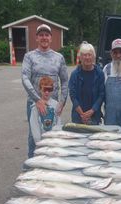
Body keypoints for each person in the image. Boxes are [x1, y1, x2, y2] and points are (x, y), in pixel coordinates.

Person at [22, 24, 68, 158]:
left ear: (51, 38)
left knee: (54, 135)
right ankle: (32, 168)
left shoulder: (59, 57)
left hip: (53, 105)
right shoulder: (29, 57)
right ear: (36, 38)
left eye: (46, 35)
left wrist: (62, 102)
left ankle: (50, 166)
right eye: (41, 35)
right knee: (34, 136)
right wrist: (37, 100)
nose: (44, 37)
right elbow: (25, 78)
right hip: (34, 103)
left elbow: (65, 81)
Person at [69, 42, 105, 125]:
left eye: (89, 55)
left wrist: (92, 110)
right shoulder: (75, 74)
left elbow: (101, 94)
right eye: (84, 55)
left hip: (95, 115)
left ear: (93, 56)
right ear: (80, 57)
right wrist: (82, 114)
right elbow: (72, 95)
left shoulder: (100, 73)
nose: (87, 57)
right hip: (78, 116)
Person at [30, 76, 61, 144]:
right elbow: (34, 125)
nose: (47, 92)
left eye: (49, 90)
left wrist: (57, 137)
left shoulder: (56, 105)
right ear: (40, 89)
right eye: (44, 89)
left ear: (52, 90)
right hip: (41, 141)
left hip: (54, 140)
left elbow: (58, 122)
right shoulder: (35, 107)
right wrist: (38, 141)